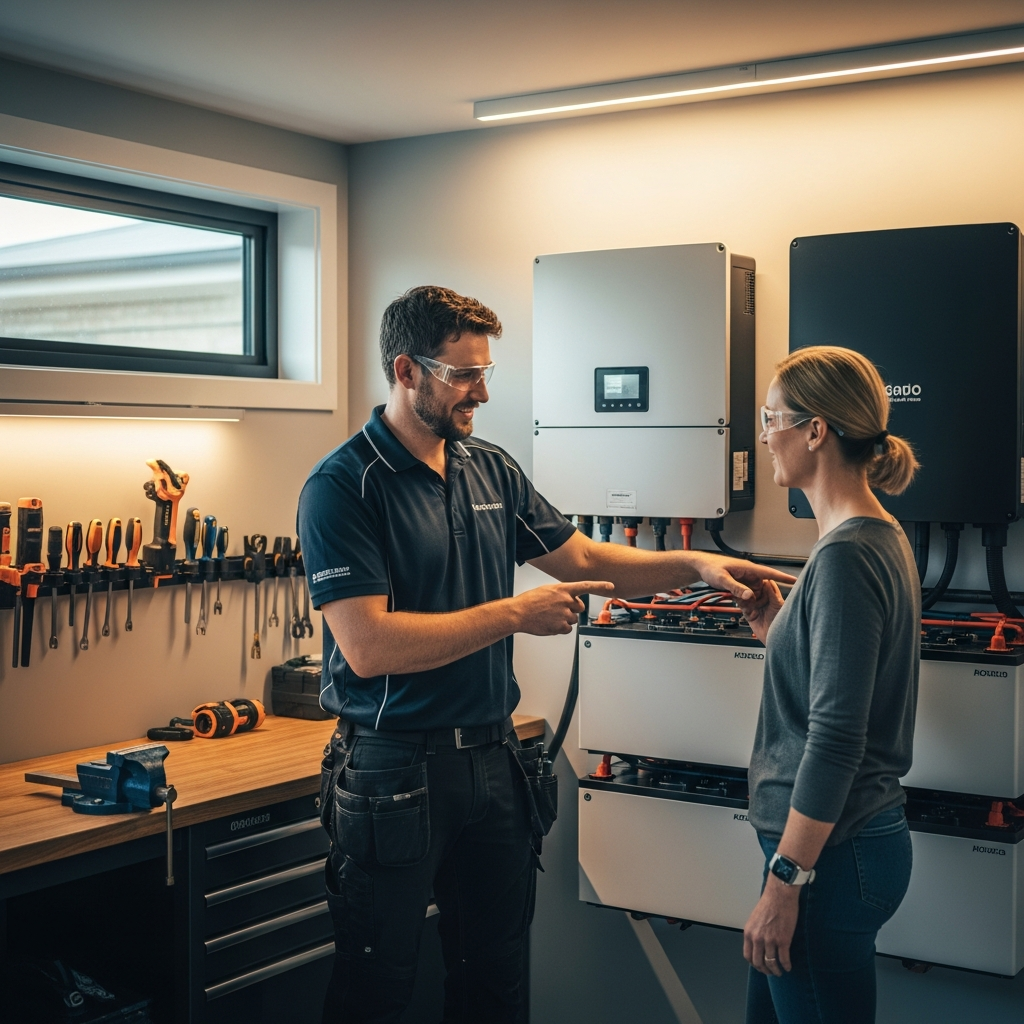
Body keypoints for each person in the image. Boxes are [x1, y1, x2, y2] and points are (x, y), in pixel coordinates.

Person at [297, 284, 795, 1024]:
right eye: (463, 375)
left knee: (495, 982)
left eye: (485, 371)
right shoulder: (343, 487)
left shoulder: (487, 468)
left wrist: (699, 569)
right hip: (392, 769)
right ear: (405, 371)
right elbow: (368, 648)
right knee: (378, 986)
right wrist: (512, 615)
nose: (483, 392)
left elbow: (587, 557)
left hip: (493, 766)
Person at [737, 345, 921, 1024]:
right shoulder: (873, 535)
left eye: (771, 418)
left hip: (827, 860)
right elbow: (842, 682)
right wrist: (781, 634)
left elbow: (839, 737)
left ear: (815, 430)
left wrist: (786, 881)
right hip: (825, 854)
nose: (763, 436)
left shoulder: (845, 555)